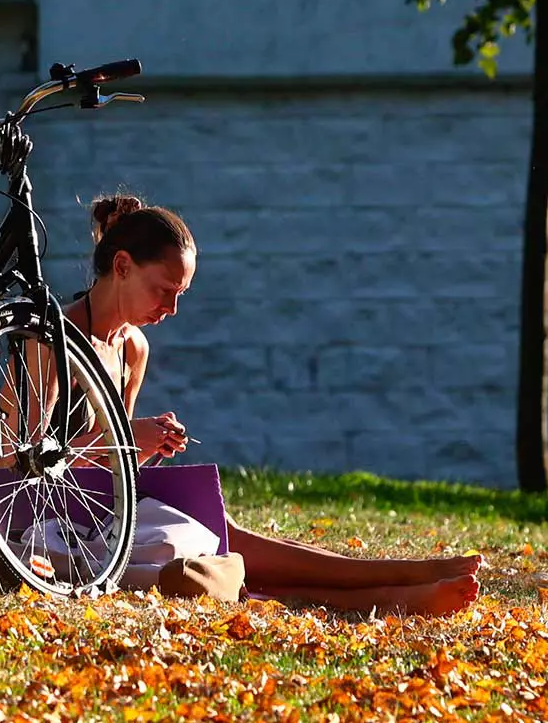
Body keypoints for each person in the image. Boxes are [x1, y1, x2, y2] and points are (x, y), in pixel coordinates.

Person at [60, 193, 482, 618]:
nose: (171, 309)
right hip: (56, 521)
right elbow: (8, 464)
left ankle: (394, 590)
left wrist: (147, 444)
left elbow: (114, 469)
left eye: (181, 293)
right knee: (229, 544)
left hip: (112, 509)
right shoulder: (52, 338)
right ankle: (398, 582)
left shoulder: (133, 347)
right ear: (122, 267)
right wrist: (129, 436)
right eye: (163, 291)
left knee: (230, 540)